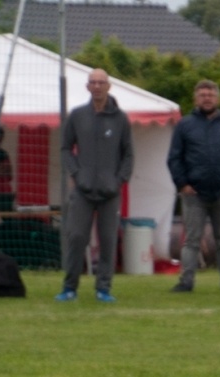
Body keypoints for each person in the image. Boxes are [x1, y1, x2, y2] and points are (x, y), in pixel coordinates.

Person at [57, 68, 134, 303]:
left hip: (110, 192)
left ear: (109, 86)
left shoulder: (121, 119)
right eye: (93, 82)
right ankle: (70, 287)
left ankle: (104, 288)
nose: (97, 86)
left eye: (101, 82)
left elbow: (128, 154)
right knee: (77, 236)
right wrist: (77, 173)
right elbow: (65, 149)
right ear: (87, 87)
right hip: (83, 191)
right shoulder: (77, 116)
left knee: (108, 239)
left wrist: (119, 179)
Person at [168, 79, 220, 295]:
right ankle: (186, 282)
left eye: (210, 94)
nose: (207, 98)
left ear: (217, 98)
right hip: (194, 194)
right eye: (203, 95)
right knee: (191, 240)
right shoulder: (185, 125)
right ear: (196, 98)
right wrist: (183, 184)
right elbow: (175, 158)